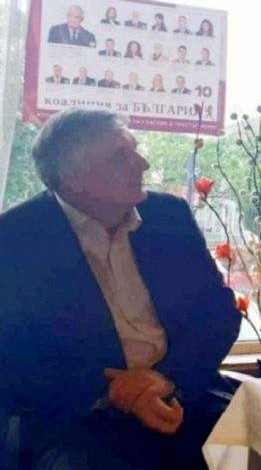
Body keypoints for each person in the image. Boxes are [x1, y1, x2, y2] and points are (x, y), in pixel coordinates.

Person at [0, 108, 240, 469]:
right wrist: (117, 393)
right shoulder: (16, 238)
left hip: (181, 389)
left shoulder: (169, 217)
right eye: (120, 156)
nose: (142, 163)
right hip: (79, 417)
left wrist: (163, 378)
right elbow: (14, 358)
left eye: (135, 149)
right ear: (72, 178)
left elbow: (219, 316)